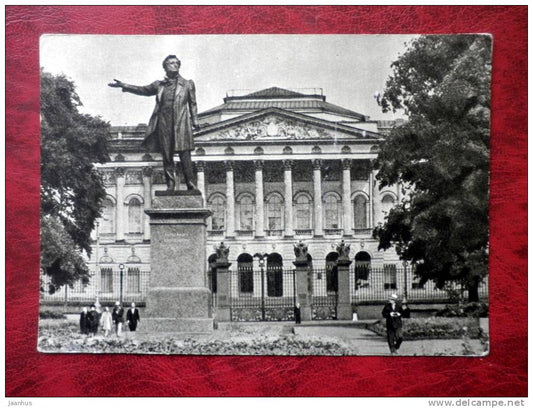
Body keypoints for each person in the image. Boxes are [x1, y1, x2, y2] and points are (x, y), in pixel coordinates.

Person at [108, 55, 199, 191]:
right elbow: (143, 90)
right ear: (165, 67)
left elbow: (193, 103)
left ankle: (190, 184)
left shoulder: (188, 84)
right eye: (171, 63)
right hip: (163, 123)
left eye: (176, 63)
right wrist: (124, 85)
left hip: (181, 123)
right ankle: (171, 185)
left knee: (185, 155)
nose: (175, 65)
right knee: (167, 156)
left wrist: (195, 120)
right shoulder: (159, 85)